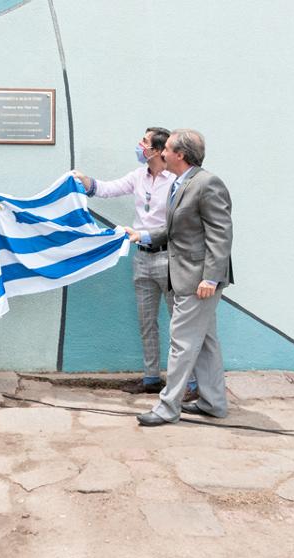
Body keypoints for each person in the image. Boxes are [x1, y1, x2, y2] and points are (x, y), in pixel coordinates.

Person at [74, 128, 198, 401]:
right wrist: (86, 182)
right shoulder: (138, 176)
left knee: (179, 323)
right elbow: (108, 188)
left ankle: (189, 383)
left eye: (144, 141)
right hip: (141, 256)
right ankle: (151, 378)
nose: (139, 145)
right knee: (146, 321)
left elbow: (179, 223)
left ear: (156, 150)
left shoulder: (176, 181)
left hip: (169, 257)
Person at [125, 129, 233, 427]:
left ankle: (167, 407)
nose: (162, 153)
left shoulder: (207, 183)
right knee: (206, 342)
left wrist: (210, 278)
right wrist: (143, 234)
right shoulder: (181, 183)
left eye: (167, 149)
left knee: (181, 343)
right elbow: (177, 232)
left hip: (197, 280)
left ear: (180, 155)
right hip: (186, 276)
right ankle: (213, 402)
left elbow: (220, 235)